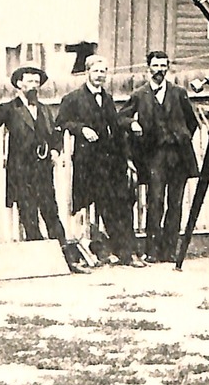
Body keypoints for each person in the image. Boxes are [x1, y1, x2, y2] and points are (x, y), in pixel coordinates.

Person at [0, 64, 82, 273]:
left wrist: (56, 150)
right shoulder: (10, 108)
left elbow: (55, 133)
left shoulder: (45, 110)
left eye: (36, 82)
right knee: (29, 215)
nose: (34, 85)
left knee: (51, 213)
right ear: (19, 84)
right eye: (29, 81)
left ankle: (66, 259)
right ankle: (40, 262)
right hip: (21, 172)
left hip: (43, 170)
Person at [55, 54, 141, 267]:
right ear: (87, 72)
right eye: (96, 71)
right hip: (88, 163)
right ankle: (94, 252)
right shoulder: (73, 99)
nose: (100, 75)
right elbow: (61, 123)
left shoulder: (109, 99)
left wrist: (127, 158)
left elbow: (117, 130)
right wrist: (81, 129)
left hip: (112, 163)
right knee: (87, 210)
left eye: (103, 71)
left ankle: (127, 254)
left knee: (120, 206)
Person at [128, 50, 199, 265]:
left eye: (163, 65)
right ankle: (152, 250)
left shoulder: (178, 93)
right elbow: (122, 116)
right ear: (148, 68)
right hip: (154, 155)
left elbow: (192, 121)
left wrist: (181, 137)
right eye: (155, 66)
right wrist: (133, 124)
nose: (159, 70)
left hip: (178, 156)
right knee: (155, 201)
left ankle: (169, 250)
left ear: (168, 68)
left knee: (175, 203)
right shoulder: (140, 95)